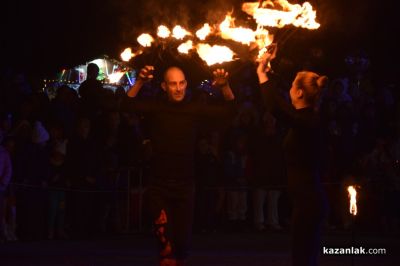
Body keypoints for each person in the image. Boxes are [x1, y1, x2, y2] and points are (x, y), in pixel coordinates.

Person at [122, 64, 235, 266]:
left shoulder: (194, 109)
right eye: (173, 84)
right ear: (164, 86)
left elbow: (230, 110)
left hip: (185, 186)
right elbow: (126, 104)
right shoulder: (156, 108)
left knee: (182, 246)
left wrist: (225, 87)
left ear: (186, 84)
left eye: (181, 83)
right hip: (159, 186)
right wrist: (139, 82)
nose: (178, 88)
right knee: (165, 247)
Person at [256, 44, 328, 266]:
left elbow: (276, 108)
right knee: (304, 258)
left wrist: (261, 74)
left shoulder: (307, 121)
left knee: (303, 259)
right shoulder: (306, 117)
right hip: (306, 200)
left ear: (298, 93)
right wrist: (269, 68)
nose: (289, 89)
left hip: (309, 201)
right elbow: (281, 106)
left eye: (292, 86)